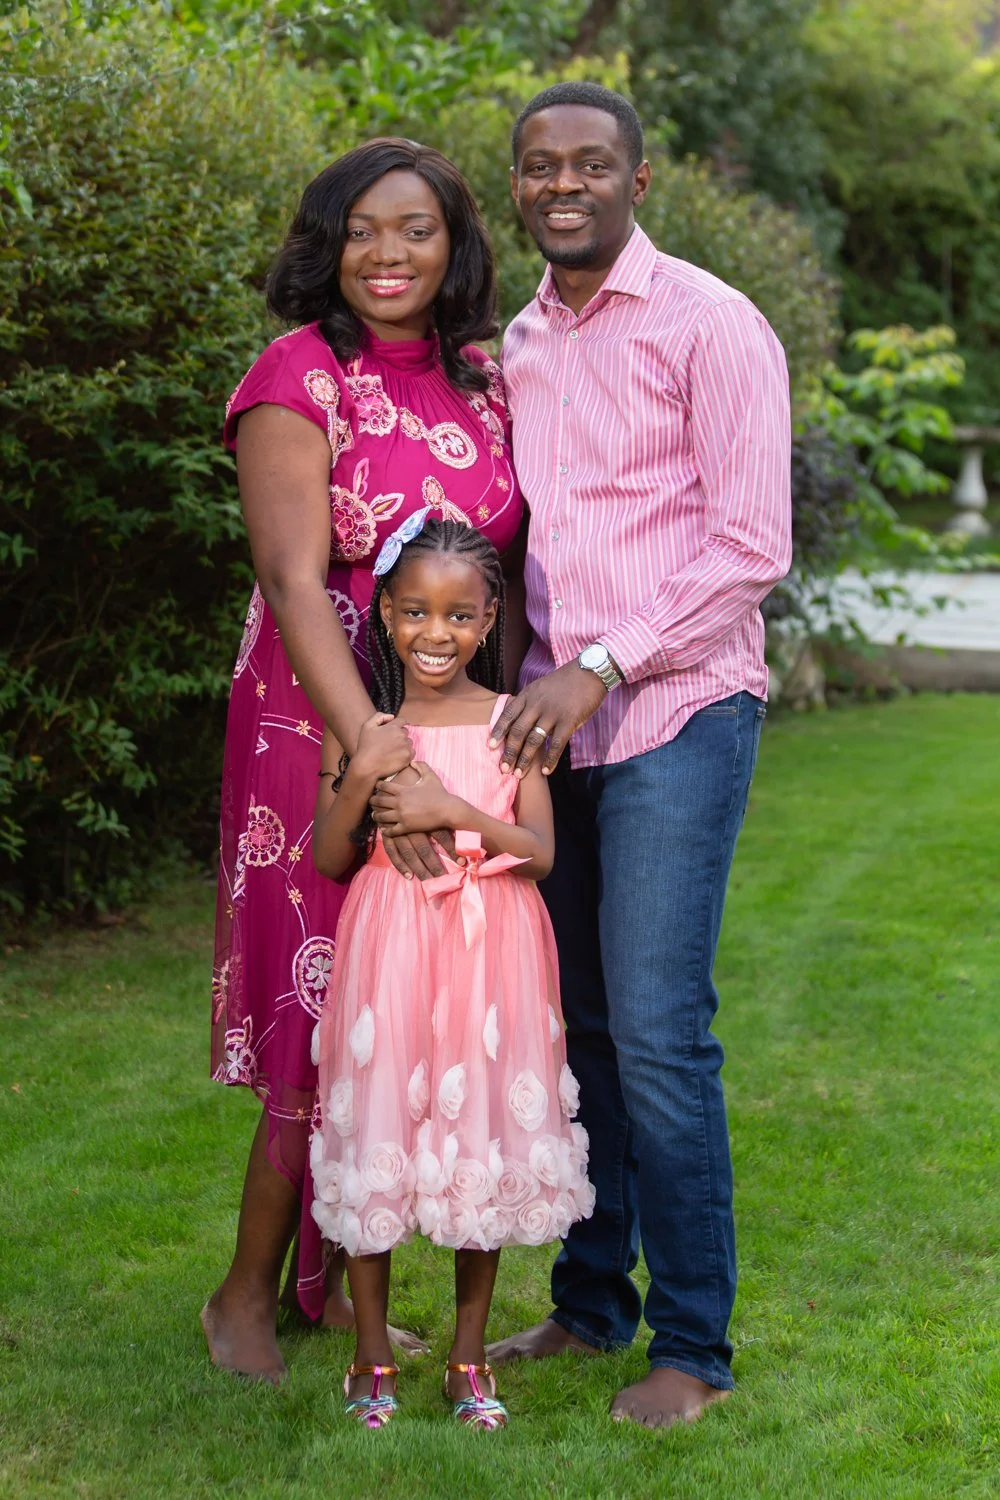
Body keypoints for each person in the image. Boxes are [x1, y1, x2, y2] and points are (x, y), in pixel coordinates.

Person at [484, 82, 793, 1429]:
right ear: (518, 187)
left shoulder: (711, 323)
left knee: (662, 1035)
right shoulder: (521, 342)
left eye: (591, 164)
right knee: (583, 1034)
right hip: (555, 734)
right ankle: (593, 1300)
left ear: (638, 181)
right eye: (542, 166)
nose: (567, 184)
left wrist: (599, 665)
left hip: (675, 713)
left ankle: (693, 1347)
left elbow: (749, 548)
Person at [203, 140, 524, 1386]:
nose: (388, 255)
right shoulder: (298, 376)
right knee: (322, 994)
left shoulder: (485, 383)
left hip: (449, 726)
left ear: (456, 249)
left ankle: (329, 1288)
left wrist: (466, 748)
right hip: (315, 719)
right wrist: (371, 755)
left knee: (402, 1001)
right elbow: (291, 578)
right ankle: (242, 1293)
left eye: (418, 231)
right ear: (328, 245)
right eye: (361, 232)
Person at [310, 517, 594, 1430]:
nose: (437, 633)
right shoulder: (364, 722)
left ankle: (469, 1359)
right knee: (383, 1115)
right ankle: (371, 1356)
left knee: (480, 1135)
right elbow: (327, 855)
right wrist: (369, 778)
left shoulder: (512, 719)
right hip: (390, 941)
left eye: (460, 615)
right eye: (416, 612)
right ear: (386, 615)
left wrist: (451, 806)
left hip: (492, 947)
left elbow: (541, 851)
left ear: (489, 618)